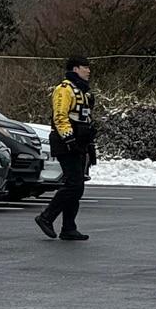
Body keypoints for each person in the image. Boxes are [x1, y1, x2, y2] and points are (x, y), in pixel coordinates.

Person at [36, 56, 97, 242]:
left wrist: (88, 141)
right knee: (73, 184)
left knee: (77, 187)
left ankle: (69, 228)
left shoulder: (83, 92)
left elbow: (84, 118)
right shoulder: (64, 90)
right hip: (66, 142)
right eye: (85, 67)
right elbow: (59, 115)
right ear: (75, 68)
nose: (88, 71)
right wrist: (68, 138)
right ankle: (46, 217)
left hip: (79, 143)